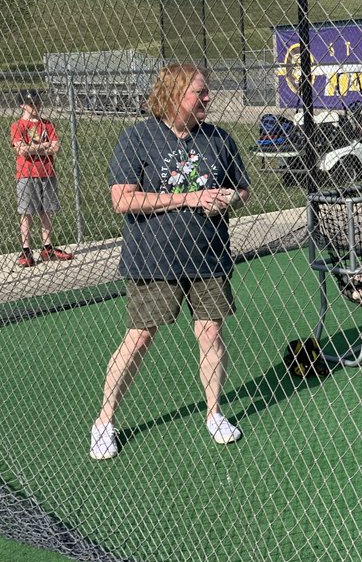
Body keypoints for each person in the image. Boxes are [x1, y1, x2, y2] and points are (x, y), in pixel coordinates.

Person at [90, 64, 250, 460]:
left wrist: (230, 198)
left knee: (210, 333)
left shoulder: (219, 139)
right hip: (153, 260)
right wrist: (187, 198)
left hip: (209, 257)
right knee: (140, 338)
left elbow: (243, 188)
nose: (208, 99)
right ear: (174, 96)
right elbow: (121, 199)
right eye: (200, 93)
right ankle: (104, 421)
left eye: (206, 92)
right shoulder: (138, 139)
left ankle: (214, 413)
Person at [10, 94, 73, 267]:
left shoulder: (47, 124)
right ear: (23, 105)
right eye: (31, 103)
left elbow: (56, 147)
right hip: (26, 173)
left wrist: (34, 149)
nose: (36, 105)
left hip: (47, 172)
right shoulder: (18, 125)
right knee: (27, 212)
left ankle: (47, 247)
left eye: (37, 102)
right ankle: (26, 250)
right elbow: (21, 151)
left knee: (47, 210)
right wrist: (45, 146)